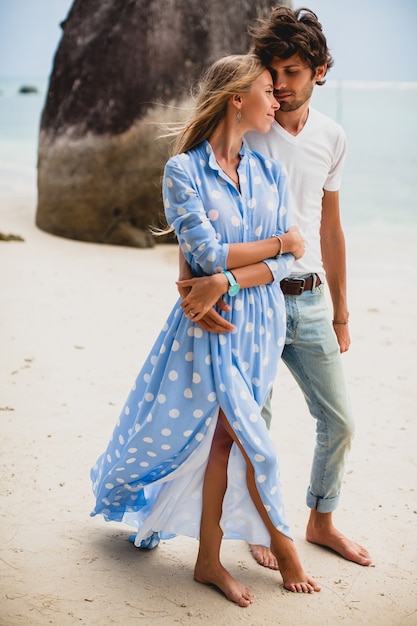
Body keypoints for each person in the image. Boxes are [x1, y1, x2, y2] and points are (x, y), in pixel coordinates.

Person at [90, 54, 320, 608]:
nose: (278, 98)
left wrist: (227, 282)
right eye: (269, 89)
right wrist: (276, 245)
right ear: (238, 98)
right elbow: (209, 253)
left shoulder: (269, 170)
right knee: (251, 440)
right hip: (209, 326)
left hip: (258, 321)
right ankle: (284, 547)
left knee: (224, 437)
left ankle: (208, 560)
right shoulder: (184, 171)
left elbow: (285, 265)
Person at [178, 8, 372, 569]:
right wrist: (189, 285)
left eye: (292, 71)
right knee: (250, 426)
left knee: (339, 421)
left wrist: (341, 312)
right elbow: (202, 203)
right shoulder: (253, 128)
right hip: (250, 299)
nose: (280, 86)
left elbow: (329, 228)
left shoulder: (332, 137)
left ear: (320, 70)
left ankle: (321, 520)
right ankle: (261, 524)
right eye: (274, 73)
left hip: (309, 299)